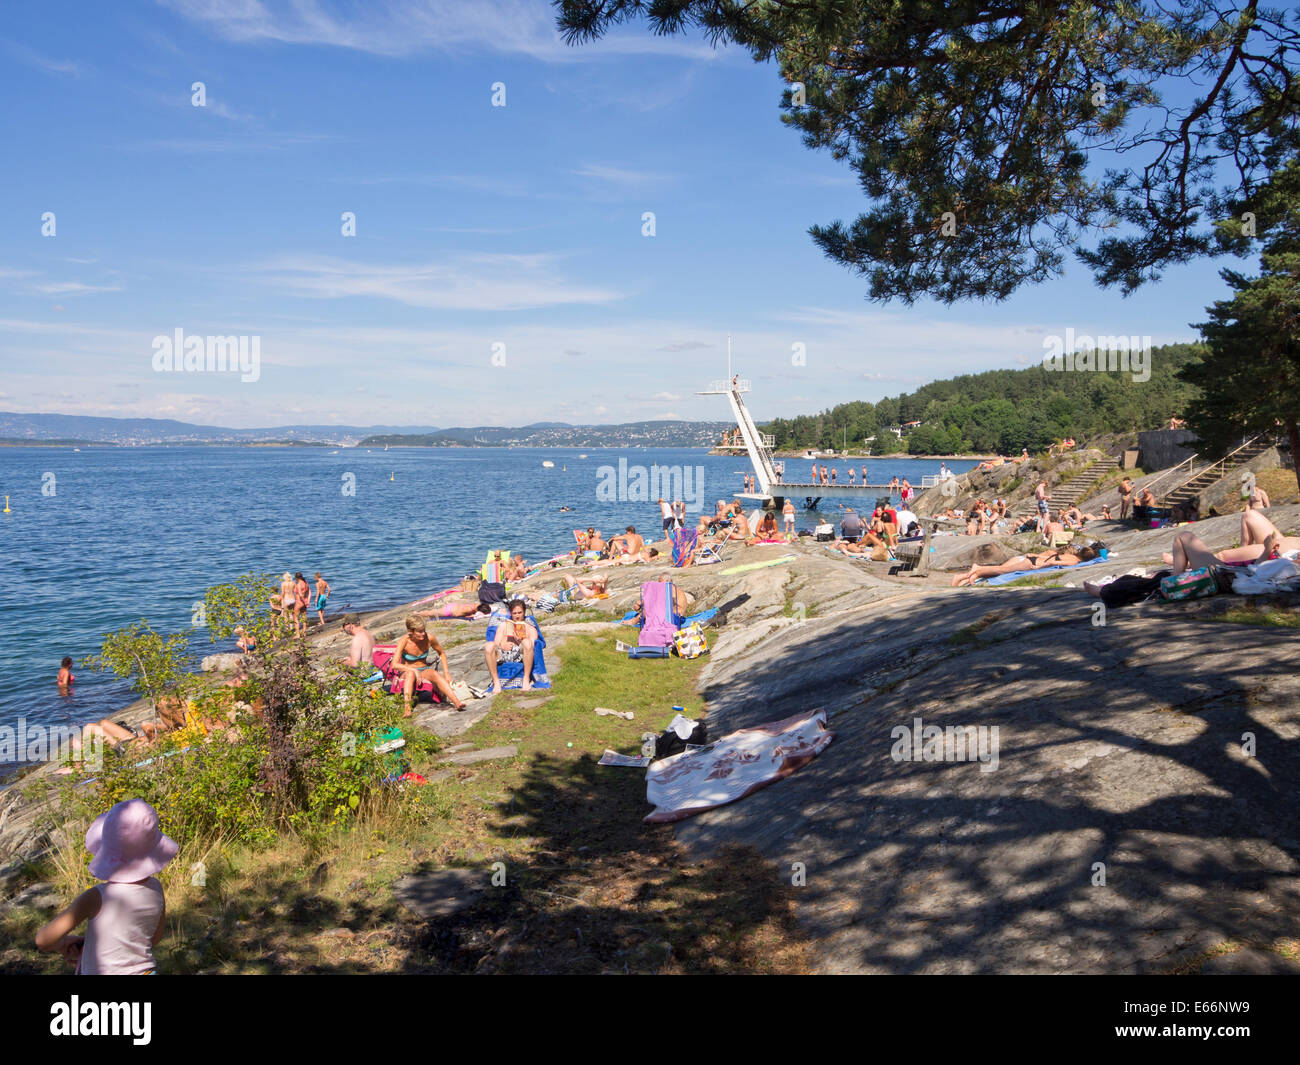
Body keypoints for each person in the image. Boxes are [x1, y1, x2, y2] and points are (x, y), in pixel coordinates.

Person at [35, 799, 175, 974]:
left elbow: (43, 940)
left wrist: (63, 943)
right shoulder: (156, 888)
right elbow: (153, 939)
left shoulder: (96, 897)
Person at [392, 615, 465, 715]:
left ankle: (457, 703)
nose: (423, 634)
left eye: (424, 630)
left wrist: (446, 673)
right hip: (407, 672)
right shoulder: (404, 641)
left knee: (434, 673)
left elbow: (442, 654)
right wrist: (414, 670)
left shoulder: (429, 638)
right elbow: (394, 665)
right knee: (410, 674)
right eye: (419, 631)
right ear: (410, 631)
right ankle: (407, 709)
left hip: (424, 669)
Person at [951, 544, 1100, 586]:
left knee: (1002, 570)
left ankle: (966, 576)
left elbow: (1054, 557)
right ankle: (977, 569)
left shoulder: (1071, 554)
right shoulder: (1074, 560)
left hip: (1033, 560)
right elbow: (1055, 562)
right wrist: (1039, 568)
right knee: (1002, 570)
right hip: (1033, 564)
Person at [486, 600, 539, 694]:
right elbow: (496, 643)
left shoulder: (530, 628)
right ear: (510, 613)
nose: (517, 616)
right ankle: (496, 682)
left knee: (527, 642)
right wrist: (502, 644)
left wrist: (520, 640)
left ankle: (525, 680)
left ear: (524, 612)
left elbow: (532, 646)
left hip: (520, 654)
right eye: (514, 613)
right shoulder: (503, 625)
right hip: (503, 654)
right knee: (489, 646)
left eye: (520, 612)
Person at [293, 572, 310, 638]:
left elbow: (300, 594)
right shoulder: (306, 583)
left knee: (296, 618)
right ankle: (304, 632)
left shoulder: (298, 584)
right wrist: (307, 601)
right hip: (304, 601)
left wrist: (304, 601)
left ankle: (297, 634)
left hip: (299, 602)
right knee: (304, 617)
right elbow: (309, 593)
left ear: (296, 578)